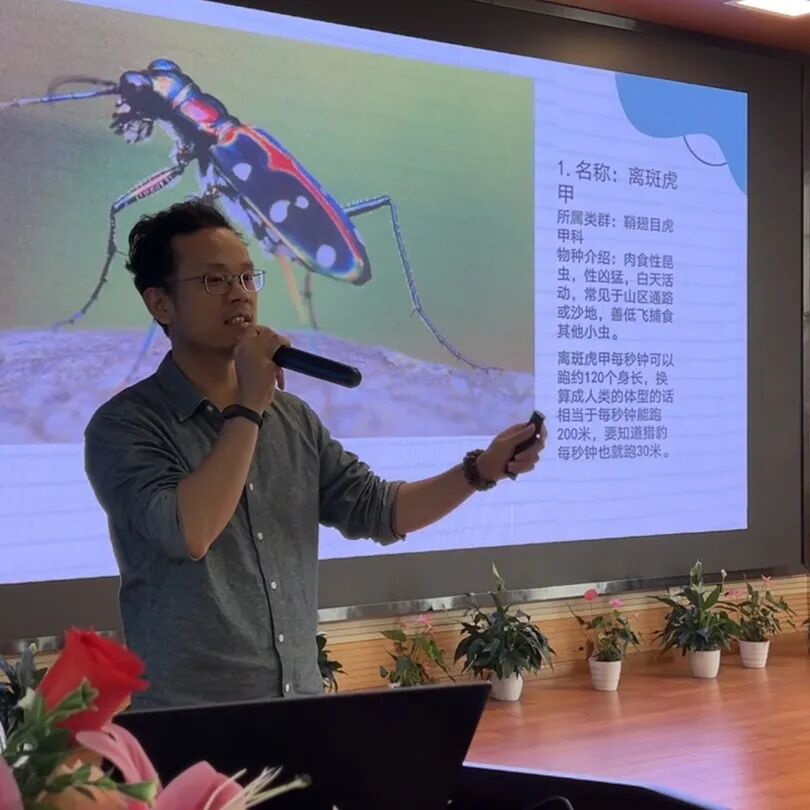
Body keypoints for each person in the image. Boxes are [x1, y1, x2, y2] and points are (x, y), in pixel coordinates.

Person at [83, 198, 546, 709]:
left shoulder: (292, 419)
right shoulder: (124, 426)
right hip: (193, 719)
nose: (239, 294)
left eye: (247, 277)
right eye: (214, 280)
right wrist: (248, 408)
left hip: (298, 705)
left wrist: (480, 470)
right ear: (160, 304)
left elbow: (380, 510)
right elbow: (189, 532)